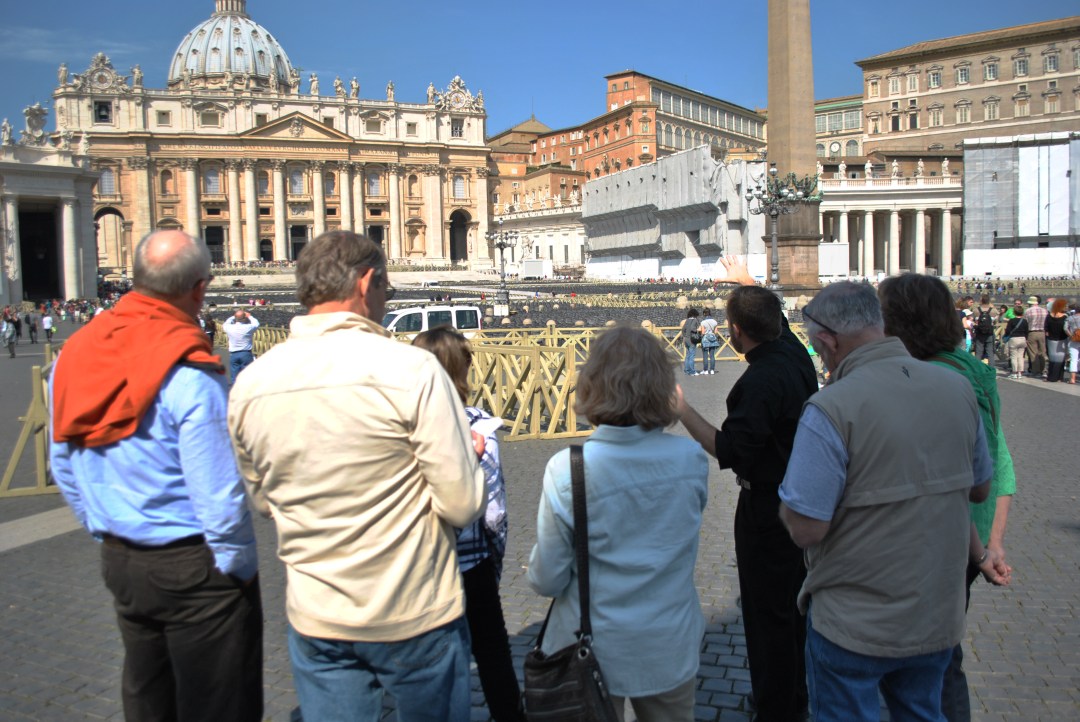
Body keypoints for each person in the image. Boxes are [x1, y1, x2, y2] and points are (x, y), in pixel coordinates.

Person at [228, 230, 485, 722]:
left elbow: (263, 503)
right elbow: (462, 504)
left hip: (317, 611)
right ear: (367, 283)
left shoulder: (251, 383)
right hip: (413, 609)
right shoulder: (414, 370)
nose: (386, 301)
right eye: (387, 288)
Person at [48, 230, 263, 721]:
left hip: (121, 558)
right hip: (195, 563)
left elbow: (63, 462)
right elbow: (219, 497)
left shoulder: (73, 357)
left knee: (147, 695)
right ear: (199, 290)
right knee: (217, 704)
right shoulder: (190, 375)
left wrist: (106, 529)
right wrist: (238, 568)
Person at [777, 281, 994, 722]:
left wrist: (787, 501)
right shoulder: (957, 388)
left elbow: (806, 528)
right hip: (935, 611)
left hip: (855, 620)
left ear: (828, 341)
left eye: (817, 348)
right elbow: (979, 488)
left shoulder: (831, 406)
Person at [528, 325, 709, 722]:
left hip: (593, 647)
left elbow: (547, 580)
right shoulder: (690, 459)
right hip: (668, 643)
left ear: (592, 385)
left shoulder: (567, 468)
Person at [677, 256, 816, 722]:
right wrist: (751, 285)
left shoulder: (759, 380)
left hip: (767, 508)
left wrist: (682, 410)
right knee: (793, 607)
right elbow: (780, 323)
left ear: (735, 332)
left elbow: (731, 450)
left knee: (766, 612)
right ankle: (795, 697)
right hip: (799, 496)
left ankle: (776, 708)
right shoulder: (793, 355)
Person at [877, 274, 1015, 722]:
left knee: (929, 661)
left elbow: (939, 481)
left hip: (936, 537)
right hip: (971, 535)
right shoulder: (974, 372)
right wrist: (993, 541)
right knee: (942, 651)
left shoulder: (928, 381)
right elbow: (1000, 462)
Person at [412, 327, 524, 722]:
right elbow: (494, 511)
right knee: (492, 651)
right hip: (472, 561)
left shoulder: (399, 426)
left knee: (433, 656)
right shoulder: (478, 425)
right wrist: (495, 559)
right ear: (463, 370)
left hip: (420, 563)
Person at [223, 309, 259, 380]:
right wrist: (250, 316)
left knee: (234, 376)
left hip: (234, 354)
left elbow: (226, 322)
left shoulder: (229, 327)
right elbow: (256, 323)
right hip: (246, 353)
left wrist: (234, 316)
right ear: (244, 318)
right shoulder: (248, 327)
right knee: (247, 375)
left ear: (235, 317)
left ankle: (235, 386)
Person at [1045, 298, 1069, 383]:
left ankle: (1051, 376)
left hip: (1051, 339)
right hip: (1062, 339)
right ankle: (1059, 377)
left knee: (1052, 359)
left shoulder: (1049, 316)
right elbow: (1066, 329)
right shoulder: (1065, 317)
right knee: (1060, 360)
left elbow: (1046, 329)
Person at [1023, 295, 1048, 377]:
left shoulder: (1027, 311)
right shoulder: (1044, 311)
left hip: (1031, 332)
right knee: (1042, 353)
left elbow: (1025, 323)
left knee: (1033, 353)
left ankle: (1036, 371)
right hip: (1042, 332)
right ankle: (1043, 370)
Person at [1002, 307, 1029, 380]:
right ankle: (1020, 373)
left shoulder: (1012, 321)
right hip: (1022, 339)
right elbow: (1027, 331)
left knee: (1014, 357)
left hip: (1014, 339)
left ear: (1014, 312)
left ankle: (1014, 373)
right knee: (1021, 356)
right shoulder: (1024, 321)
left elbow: (1008, 331)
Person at [971, 295, 995, 363]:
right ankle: (991, 367)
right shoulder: (993, 310)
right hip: (989, 333)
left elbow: (972, 320)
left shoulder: (976, 310)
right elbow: (996, 320)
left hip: (979, 332)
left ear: (981, 301)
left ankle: (977, 367)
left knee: (978, 352)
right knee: (990, 352)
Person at [699, 308, 720, 375]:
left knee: (705, 355)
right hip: (712, 338)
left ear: (704, 314)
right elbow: (716, 332)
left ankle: (705, 370)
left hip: (705, 339)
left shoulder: (703, 322)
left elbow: (703, 332)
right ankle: (712, 370)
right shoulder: (714, 321)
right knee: (712, 355)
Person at [680, 308, 700, 376]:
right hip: (691, 339)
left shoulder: (687, 320)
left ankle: (686, 370)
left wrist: (684, 336)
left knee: (687, 355)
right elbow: (692, 328)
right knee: (692, 356)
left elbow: (683, 329)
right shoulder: (695, 320)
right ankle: (692, 371)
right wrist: (696, 330)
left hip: (686, 339)